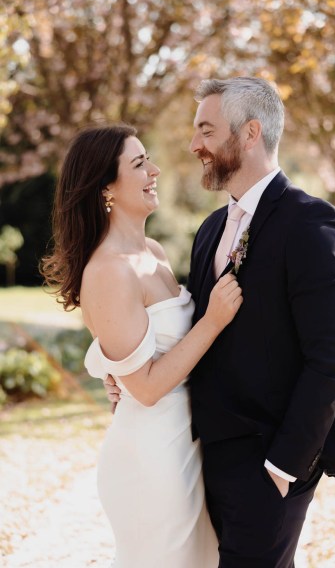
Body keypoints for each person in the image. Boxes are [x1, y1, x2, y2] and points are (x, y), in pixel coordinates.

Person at [106, 77, 335, 568]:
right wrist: (131, 376)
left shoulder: (311, 223)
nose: (194, 145)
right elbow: (196, 331)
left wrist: (284, 464)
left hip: (271, 460)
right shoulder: (209, 231)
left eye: (206, 129)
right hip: (203, 456)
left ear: (249, 133)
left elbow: (330, 360)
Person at [41, 123, 244, 568]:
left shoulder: (154, 251)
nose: (154, 170)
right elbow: (148, 388)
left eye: (147, 158)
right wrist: (211, 322)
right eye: (138, 164)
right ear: (105, 188)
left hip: (187, 443)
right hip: (154, 459)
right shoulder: (109, 270)